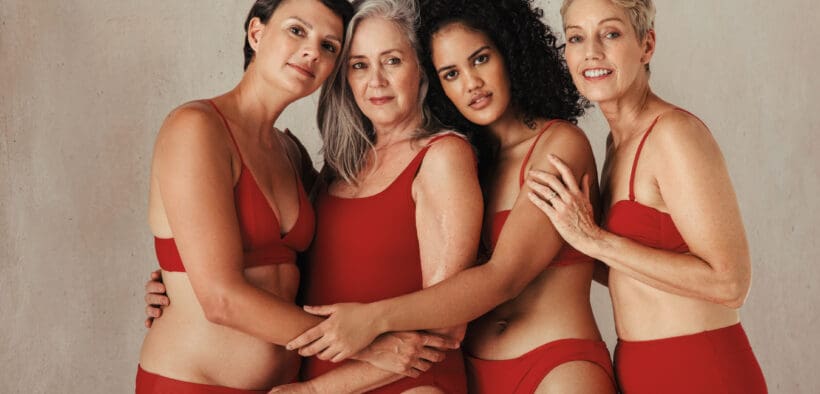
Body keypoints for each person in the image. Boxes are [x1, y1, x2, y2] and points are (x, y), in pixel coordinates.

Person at [141, 0, 481, 392]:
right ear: (256, 33)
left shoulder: (290, 154)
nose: (311, 52)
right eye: (297, 30)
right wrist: (175, 281)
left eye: (329, 45)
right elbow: (220, 298)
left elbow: (343, 252)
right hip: (195, 382)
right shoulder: (197, 127)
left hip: (296, 385)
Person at [284, 1, 616, 392]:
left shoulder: (559, 143)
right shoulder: (476, 158)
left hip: (555, 362)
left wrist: (372, 319)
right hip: (478, 372)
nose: (471, 83)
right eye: (451, 73)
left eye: (481, 59)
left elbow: (504, 277)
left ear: (510, 53)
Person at [524, 0, 767, 392]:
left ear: (647, 45)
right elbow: (629, 271)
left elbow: (730, 283)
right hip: (638, 369)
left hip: (700, 369)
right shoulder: (615, 144)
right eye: (576, 38)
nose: (591, 52)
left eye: (610, 33)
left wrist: (594, 239)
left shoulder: (674, 134)